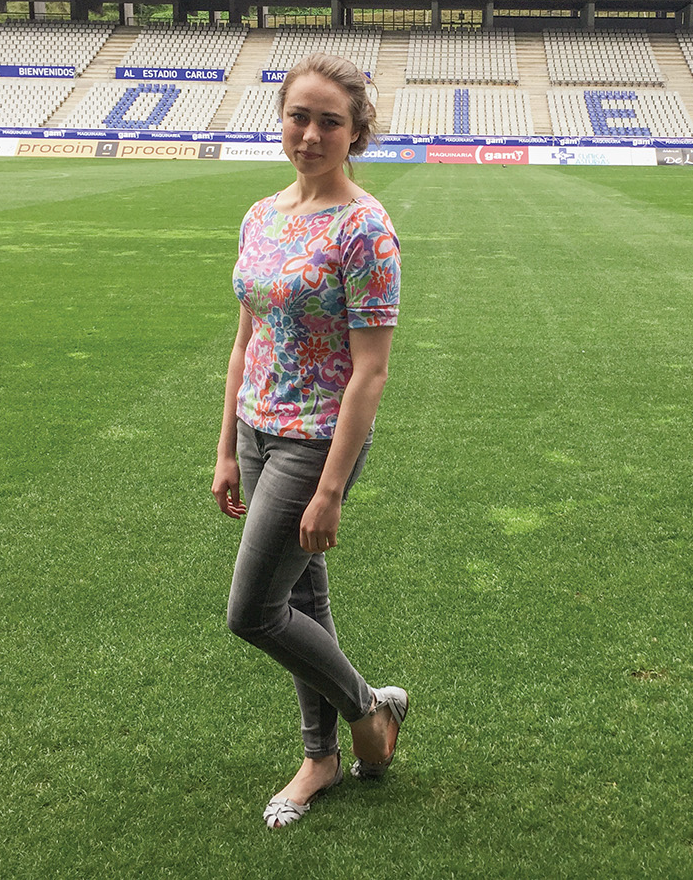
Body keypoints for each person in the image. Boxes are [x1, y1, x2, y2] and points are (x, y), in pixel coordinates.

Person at [212, 53, 408, 830]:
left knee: (253, 610)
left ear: (356, 131)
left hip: (315, 439)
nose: (312, 133)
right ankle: (319, 755)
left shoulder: (366, 228)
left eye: (330, 120)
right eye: (300, 115)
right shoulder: (262, 214)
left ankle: (370, 713)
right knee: (301, 598)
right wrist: (227, 444)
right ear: (282, 120)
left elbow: (371, 371)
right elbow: (244, 339)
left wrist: (330, 486)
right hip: (258, 427)